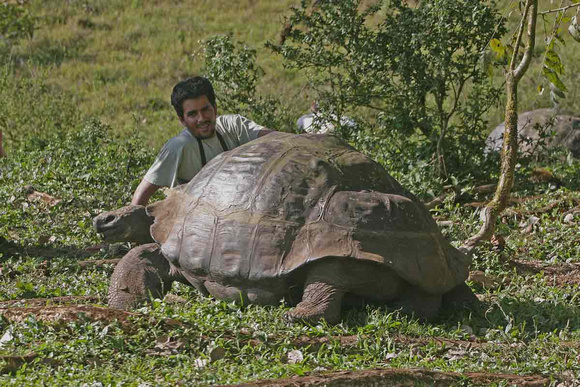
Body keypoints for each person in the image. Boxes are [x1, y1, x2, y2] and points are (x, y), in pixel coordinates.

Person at [131, 77, 272, 206]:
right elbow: (141, 196)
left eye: (206, 110)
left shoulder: (234, 126)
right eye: (192, 114)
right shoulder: (178, 147)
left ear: (215, 109)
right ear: (182, 120)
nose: (202, 118)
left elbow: (276, 139)